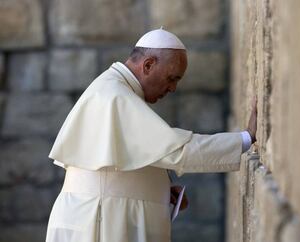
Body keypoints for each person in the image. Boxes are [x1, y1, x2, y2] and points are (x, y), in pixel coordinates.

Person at [45, 27, 257, 242]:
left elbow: (119, 166)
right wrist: (245, 138)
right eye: (171, 78)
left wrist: (158, 189)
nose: (173, 88)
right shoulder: (115, 96)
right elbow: (178, 151)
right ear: (148, 65)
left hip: (99, 215)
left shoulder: (113, 89)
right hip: (99, 222)